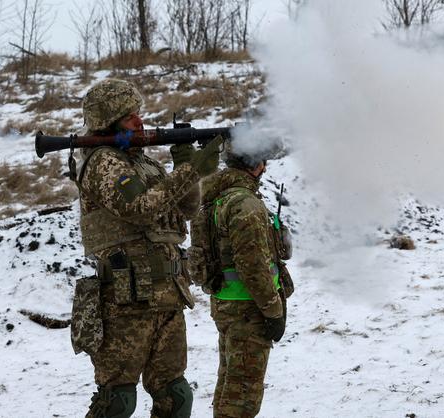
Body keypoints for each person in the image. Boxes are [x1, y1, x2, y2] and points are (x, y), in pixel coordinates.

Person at [69, 78, 221, 418]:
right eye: (129, 117)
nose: (140, 121)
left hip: (167, 295)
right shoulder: (103, 163)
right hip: (126, 301)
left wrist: (188, 166)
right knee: (118, 401)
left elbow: (187, 208)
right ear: (109, 123)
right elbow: (139, 207)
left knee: (176, 395)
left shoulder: (144, 162)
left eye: (139, 113)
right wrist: (192, 169)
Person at [192, 140, 294, 418]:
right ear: (256, 165)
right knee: (243, 396)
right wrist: (273, 311)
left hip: (227, 304)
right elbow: (253, 266)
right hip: (249, 309)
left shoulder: (219, 198)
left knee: (231, 385)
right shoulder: (245, 204)